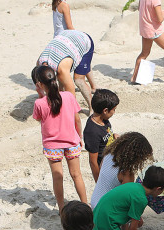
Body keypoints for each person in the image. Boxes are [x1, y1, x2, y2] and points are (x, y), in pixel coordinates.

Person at [32, 65, 87, 211]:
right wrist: (79, 136)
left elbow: (40, 119)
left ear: (40, 84)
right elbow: (77, 120)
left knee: (58, 177)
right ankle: (85, 204)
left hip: (52, 145)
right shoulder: (68, 96)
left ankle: (62, 209)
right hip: (72, 141)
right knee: (77, 175)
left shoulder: (39, 103)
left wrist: (41, 95)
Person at [90, 132, 154, 208]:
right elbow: (126, 199)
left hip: (95, 201)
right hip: (106, 209)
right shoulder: (126, 173)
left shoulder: (108, 154)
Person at [52, 0, 98, 104]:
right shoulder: (64, 5)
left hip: (58, 37)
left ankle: (93, 85)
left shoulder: (55, 3)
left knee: (83, 61)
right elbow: (70, 26)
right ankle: (90, 89)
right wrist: (79, 36)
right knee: (73, 72)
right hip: (67, 39)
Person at [37, 29, 95, 110]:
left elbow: (72, 96)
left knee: (79, 80)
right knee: (62, 83)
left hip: (83, 40)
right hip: (66, 37)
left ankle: (93, 109)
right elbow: (42, 90)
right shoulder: (39, 65)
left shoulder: (62, 70)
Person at [130, 0, 164, 84]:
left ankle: (134, 77)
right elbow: (160, 19)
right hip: (154, 29)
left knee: (144, 53)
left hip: (145, 28)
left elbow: (139, 9)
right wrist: (163, 14)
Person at [83, 89, 119, 181]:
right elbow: (93, 162)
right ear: (105, 110)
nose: (114, 112)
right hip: (105, 169)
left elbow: (106, 137)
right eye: (114, 110)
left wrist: (114, 136)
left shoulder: (104, 120)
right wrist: (99, 182)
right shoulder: (92, 131)